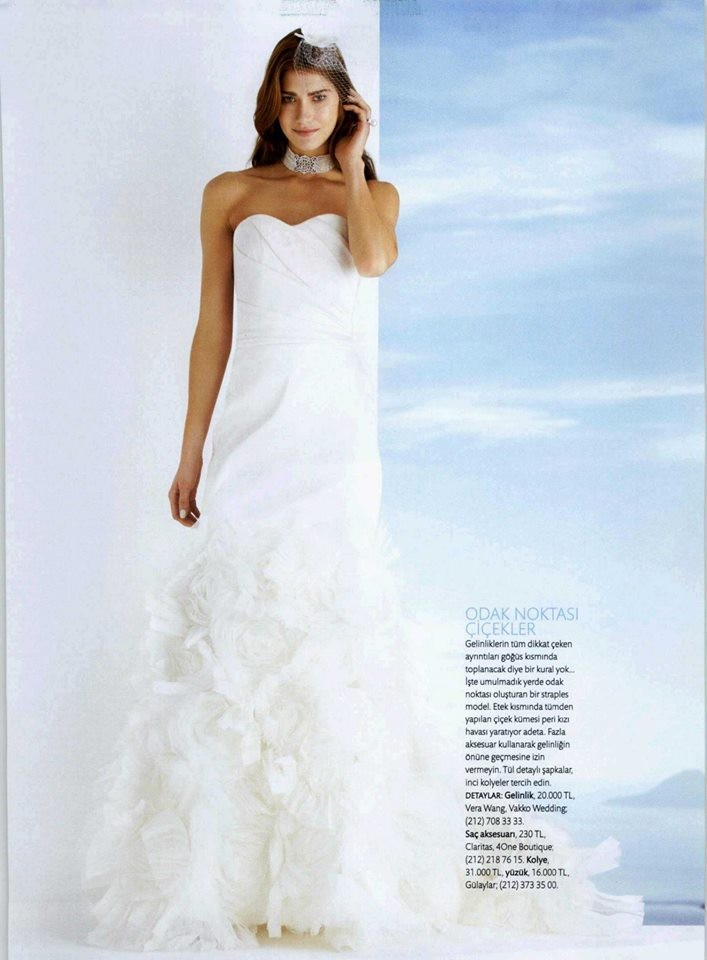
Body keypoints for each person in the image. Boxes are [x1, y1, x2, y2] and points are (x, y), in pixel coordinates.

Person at [79, 28, 645, 953]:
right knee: (239, 624)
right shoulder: (229, 194)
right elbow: (212, 327)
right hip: (252, 426)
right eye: (290, 96)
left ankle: (334, 876)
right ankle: (233, 877)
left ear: (344, 108)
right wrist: (190, 455)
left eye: (320, 98)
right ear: (270, 103)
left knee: (329, 627)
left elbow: (375, 261)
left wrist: (348, 165)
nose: (303, 113)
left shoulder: (373, 194)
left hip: (333, 436)